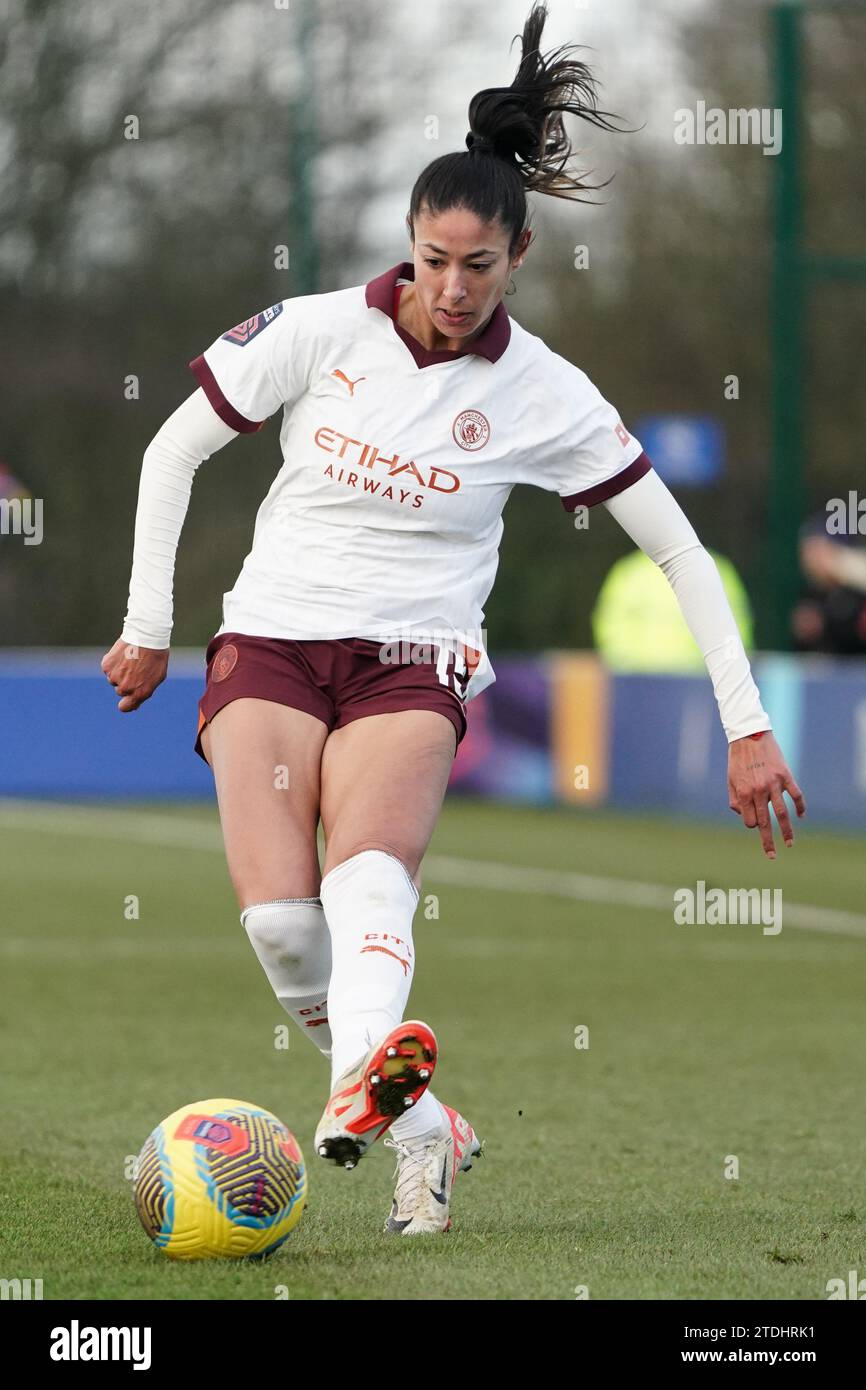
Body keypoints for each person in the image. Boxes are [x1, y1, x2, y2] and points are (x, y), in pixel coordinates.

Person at [101, 2, 805, 1237]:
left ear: (519, 256)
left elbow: (682, 554)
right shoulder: (319, 331)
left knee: (368, 884)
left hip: (412, 661)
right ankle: (421, 1119)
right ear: (408, 243)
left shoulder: (549, 395)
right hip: (268, 639)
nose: (451, 287)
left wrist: (745, 726)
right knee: (278, 925)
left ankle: (357, 1107)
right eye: (432, 259)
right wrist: (148, 624)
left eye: (478, 265)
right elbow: (173, 448)